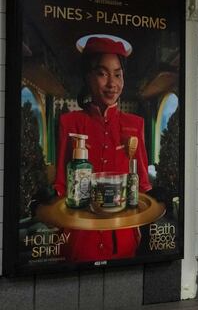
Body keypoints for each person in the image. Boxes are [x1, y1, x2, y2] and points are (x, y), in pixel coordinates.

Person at [54, 35, 152, 263]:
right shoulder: (69, 123)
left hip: (123, 237)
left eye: (117, 74)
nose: (112, 84)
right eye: (102, 73)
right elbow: (60, 184)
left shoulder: (135, 124)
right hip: (79, 239)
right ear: (88, 77)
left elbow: (143, 184)